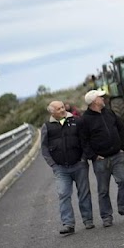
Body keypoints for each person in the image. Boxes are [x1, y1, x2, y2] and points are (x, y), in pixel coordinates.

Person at [78, 89, 124, 227]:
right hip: (100, 161)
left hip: (117, 156)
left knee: (123, 181)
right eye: (100, 97)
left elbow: (120, 127)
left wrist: (122, 146)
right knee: (103, 190)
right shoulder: (85, 120)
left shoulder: (109, 112)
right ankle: (106, 216)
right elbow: (83, 141)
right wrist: (93, 156)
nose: (103, 99)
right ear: (94, 101)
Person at [40, 100, 93, 235]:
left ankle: (88, 220)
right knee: (63, 194)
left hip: (79, 165)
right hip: (61, 168)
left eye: (63, 107)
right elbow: (44, 147)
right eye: (58, 109)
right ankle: (68, 223)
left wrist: (83, 158)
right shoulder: (47, 126)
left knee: (84, 193)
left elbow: (84, 140)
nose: (62, 110)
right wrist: (53, 164)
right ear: (52, 112)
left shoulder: (76, 121)